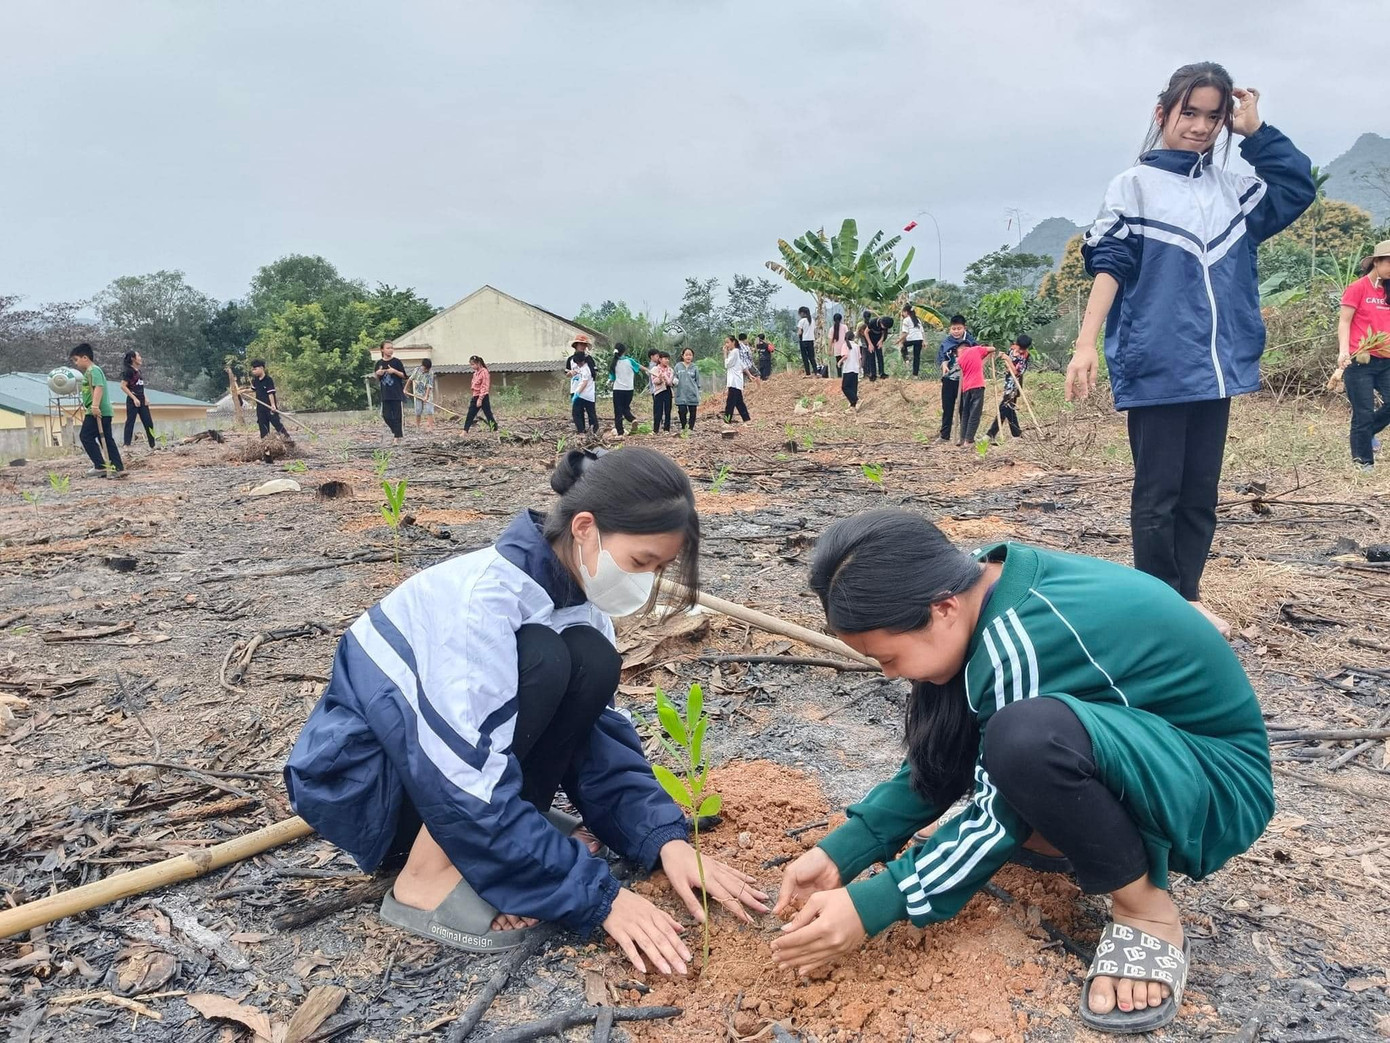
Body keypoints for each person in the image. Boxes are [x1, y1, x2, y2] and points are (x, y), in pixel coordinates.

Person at [772, 510, 1273, 1034]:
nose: (890, 673)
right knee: (1011, 738)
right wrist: (847, 848)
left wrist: (874, 903)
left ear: (942, 608)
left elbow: (998, 804)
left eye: (889, 657)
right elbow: (947, 752)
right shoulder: (976, 584)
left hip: (1218, 787)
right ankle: (1089, 838)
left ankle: (1146, 911)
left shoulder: (1018, 643)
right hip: (1152, 757)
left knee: (1024, 739)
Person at [285, 448, 768, 970]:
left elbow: (596, 741)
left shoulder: (577, 601)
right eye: (641, 563)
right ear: (585, 528)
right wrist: (596, 897)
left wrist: (662, 839)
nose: (646, 581)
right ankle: (424, 878)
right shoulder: (481, 603)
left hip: (444, 785)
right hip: (368, 790)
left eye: (659, 568)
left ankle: (513, 838)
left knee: (588, 657)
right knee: (543, 656)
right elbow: (464, 779)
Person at [1065, 64, 1314, 638]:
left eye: (1214, 116)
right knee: (1159, 493)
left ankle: (1188, 599)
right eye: (1189, 113)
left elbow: (1297, 187)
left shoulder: (1233, 191)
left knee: (1200, 494)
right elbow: (1110, 264)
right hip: (1157, 361)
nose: (1201, 126)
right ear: (1163, 114)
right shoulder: (1133, 186)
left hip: (1217, 368)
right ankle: (1161, 607)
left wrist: (1258, 132)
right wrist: (1085, 344)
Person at [1335, 240, 1390, 470]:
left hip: (1386, 360)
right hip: (1360, 361)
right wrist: (1343, 351)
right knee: (1363, 412)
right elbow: (1344, 321)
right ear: (1376, 262)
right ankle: (1363, 461)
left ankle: (1364, 435)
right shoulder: (1358, 288)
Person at [69, 343, 124, 477]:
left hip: (97, 411)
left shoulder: (94, 370)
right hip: (98, 410)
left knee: (86, 436)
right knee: (105, 438)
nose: (76, 364)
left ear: (85, 358)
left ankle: (100, 466)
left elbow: (98, 387)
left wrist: (94, 406)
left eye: (76, 360)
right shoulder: (89, 372)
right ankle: (117, 466)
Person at [987, 335, 1032, 443]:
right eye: (1019, 347)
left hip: (1015, 385)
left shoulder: (1025, 356)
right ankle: (1016, 434)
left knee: (1004, 407)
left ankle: (990, 434)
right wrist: (1004, 358)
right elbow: (1007, 366)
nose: (1020, 350)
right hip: (1008, 383)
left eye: (1023, 349)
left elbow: (1017, 372)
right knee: (1009, 409)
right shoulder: (1011, 350)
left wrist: (1008, 360)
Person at [938, 315, 974, 441]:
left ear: (964, 328)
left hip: (965, 381)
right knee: (947, 408)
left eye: (959, 328)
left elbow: (978, 355)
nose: (956, 331)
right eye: (954, 329)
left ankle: (964, 436)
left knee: (964, 409)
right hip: (949, 380)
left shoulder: (971, 342)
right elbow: (942, 357)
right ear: (950, 329)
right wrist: (944, 365)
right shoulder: (946, 342)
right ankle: (944, 435)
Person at [954, 341, 995, 446]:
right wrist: (988, 353)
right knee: (975, 414)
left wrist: (985, 357)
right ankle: (969, 440)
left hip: (966, 388)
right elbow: (992, 348)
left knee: (966, 414)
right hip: (977, 385)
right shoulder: (976, 349)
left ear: (962, 349)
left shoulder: (960, 359)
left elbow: (978, 365)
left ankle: (963, 439)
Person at [119, 350, 156, 449]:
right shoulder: (129, 371)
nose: (140, 358)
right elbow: (123, 386)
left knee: (148, 422)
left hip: (141, 399)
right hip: (133, 400)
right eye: (138, 356)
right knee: (130, 422)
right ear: (133, 358)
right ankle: (126, 444)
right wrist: (134, 398)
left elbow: (140, 386)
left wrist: (145, 397)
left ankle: (152, 444)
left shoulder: (138, 371)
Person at [374, 342, 408, 444]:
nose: (390, 350)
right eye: (388, 348)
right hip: (385, 394)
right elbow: (376, 377)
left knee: (397, 416)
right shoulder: (378, 363)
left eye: (391, 348)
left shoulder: (397, 362)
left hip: (396, 394)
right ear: (382, 350)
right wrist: (378, 373)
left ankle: (396, 438)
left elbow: (404, 375)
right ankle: (396, 431)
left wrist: (394, 371)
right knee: (386, 416)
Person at [249, 359, 289, 439]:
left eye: (255, 369)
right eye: (253, 369)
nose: (253, 371)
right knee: (262, 425)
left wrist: (273, 405)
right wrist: (241, 391)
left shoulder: (268, 380)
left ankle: (287, 439)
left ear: (261, 368)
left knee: (276, 423)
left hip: (270, 407)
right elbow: (252, 389)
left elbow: (270, 393)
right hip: (260, 408)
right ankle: (266, 443)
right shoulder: (255, 380)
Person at [567, 335, 599, 436]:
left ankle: (593, 431)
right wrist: (571, 373)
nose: (582, 346)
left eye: (584, 344)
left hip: (588, 390)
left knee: (591, 412)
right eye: (581, 344)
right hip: (575, 388)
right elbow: (567, 373)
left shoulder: (589, 359)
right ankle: (581, 431)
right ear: (576, 345)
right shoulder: (570, 360)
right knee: (577, 412)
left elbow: (594, 373)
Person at [608, 344, 642, 436]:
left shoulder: (614, 363)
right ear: (624, 351)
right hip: (629, 389)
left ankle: (620, 431)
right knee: (625, 407)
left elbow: (612, 377)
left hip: (618, 389)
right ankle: (632, 419)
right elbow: (638, 368)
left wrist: (609, 382)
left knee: (618, 410)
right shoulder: (630, 361)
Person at [722, 335, 757, 423]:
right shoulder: (735, 352)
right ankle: (746, 419)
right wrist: (749, 375)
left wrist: (725, 354)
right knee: (739, 402)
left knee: (730, 403)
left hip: (734, 382)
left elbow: (727, 365)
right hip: (736, 381)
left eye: (728, 342)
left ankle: (727, 420)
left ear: (733, 342)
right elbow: (742, 365)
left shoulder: (734, 352)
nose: (726, 345)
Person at [464, 356, 497, 433]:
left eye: (473, 364)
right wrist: (475, 397)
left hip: (483, 396)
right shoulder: (475, 374)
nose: (472, 366)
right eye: (471, 365)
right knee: (470, 414)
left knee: (488, 414)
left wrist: (480, 399)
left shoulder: (484, 372)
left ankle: (494, 428)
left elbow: (485, 386)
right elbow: (474, 386)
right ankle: (465, 430)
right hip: (475, 395)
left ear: (478, 363)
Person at [673, 347, 701, 432]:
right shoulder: (678, 366)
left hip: (692, 393)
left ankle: (691, 428)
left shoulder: (694, 367)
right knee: (682, 411)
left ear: (692, 356)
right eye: (686, 355)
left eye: (690, 355)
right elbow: (674, 377)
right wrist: (674, 381)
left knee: (693, 411)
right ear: (683, 356)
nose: (688, 357)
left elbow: (697, 381)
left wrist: (699, 393)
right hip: (681, 393)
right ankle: (684, 427)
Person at [647, 350, 674, 433]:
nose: (667, 360)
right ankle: (655, 429)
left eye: (668, 359)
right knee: (658, 410)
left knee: (667, 410)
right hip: (659, 391)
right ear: (660, 359)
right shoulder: (655, 369)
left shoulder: (670, 370)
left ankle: (666, 429)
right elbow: (654, 381)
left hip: (668, 390)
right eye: (665, 358)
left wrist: (668, 380)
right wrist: (660, 378)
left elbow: (671, 382)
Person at [407, 358, 436, 432]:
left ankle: (431, 428)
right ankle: (417, 427)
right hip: (418, 394)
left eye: (427, 369)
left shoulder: (430, 373)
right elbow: (410, 379)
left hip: (428, 394)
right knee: (418, 411)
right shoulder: (416, 370)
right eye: (425, 368)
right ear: (422, 366)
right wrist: (405, 389)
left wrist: (426, 396)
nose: (426, 370)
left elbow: (429, 386)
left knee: (429, 410)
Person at [898, 306, 926, 377]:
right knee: (917, 357)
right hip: (919, 339)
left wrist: (899, 341)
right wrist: (924, 341)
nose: (902, 314)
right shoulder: (917, 319)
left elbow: (905, 333)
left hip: (911, 339)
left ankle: (906, 359)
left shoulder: (906, 320)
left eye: (903, 312)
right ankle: (915, 375)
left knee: (903, 345)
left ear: (906, 312)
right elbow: (922, 331)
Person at [840, 325, 861, 409]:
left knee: (845, 387)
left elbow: (845, 356)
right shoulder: (856, 346)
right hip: (855, 369)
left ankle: (856, 399)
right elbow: (859, 358)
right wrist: (859, 368)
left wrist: (839, 362)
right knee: (853, 387)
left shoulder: (845, 345)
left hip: (848, 368)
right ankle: (853, 404)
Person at [796, 307, 817, 376]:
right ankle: (815, 371)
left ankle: (808, 373)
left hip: (804, 340)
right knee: (812, 357)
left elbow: (799, 332)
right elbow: (814, 330)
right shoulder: (812, 320)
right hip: (811, 340)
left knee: (805, 357)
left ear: (802, 313)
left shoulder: (802, 321)